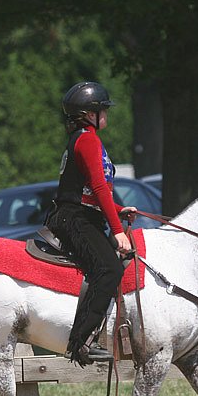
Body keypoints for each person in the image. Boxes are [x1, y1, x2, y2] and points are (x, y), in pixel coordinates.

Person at [46, 81, 136, 367]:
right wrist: (119, 231)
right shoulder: (87, 140)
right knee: (108, 269)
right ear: (88, 114)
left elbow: (91, 191)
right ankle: (81, 342)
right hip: (74, 218)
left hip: (82, 213)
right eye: (102, 109)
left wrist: (119, 211)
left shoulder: (87, 138)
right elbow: (98, 187)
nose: (106, 114)